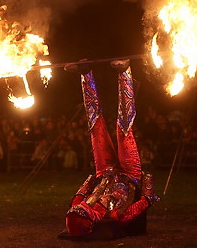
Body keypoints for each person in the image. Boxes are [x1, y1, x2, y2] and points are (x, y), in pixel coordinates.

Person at [58, 59, 158, 240]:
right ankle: (125, 72)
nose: (79, 207)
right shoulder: (115, 216)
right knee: (124, 131)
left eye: (75, 210)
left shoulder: (78, 205)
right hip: (129, 174)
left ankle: (86, 73)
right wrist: (147, 183)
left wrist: (96, 178)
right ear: (89, 219)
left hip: (104, 172)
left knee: (95, 128)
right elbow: (145, 202)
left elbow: (83, 190)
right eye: (81, 211)